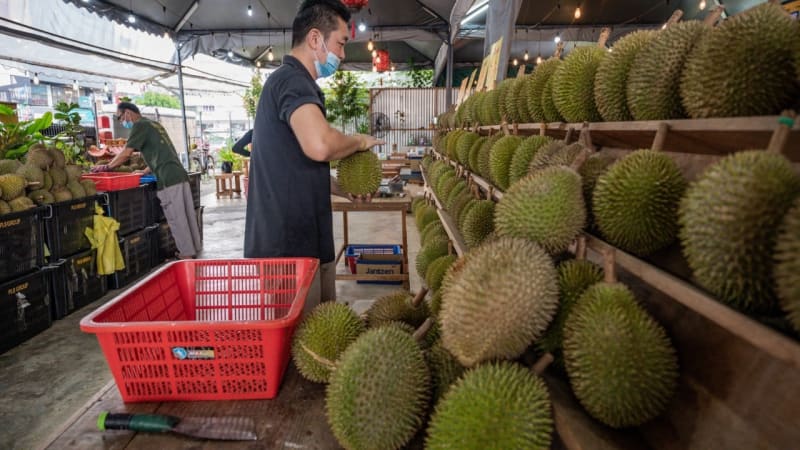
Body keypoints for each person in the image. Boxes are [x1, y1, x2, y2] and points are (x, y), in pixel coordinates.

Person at [244, 0, 383, 312]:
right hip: (286, 251)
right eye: (341, 44)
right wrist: (359, 141)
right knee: (302, 351)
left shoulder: (294, 83)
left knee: (316, 342)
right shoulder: (292, 80)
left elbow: (303, 166)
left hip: (303, 241)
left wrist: (344, 189)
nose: (343, 55)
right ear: (315, 39)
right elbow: (320, 146)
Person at [92, 102, 202, 259]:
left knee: (177, 217)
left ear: (128, 113)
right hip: (179, 174)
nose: (122, 121)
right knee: (187, 214)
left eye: (120, 117)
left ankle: (186, 255)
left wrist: (107, 167)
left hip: (168, 178)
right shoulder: (154, 125)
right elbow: (162, 152)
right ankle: (194, 248)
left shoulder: (140, 125)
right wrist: (145, 170)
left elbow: (126, 153)